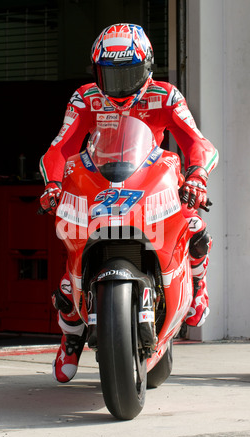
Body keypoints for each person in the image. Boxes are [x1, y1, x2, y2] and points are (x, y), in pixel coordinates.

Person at [39, 24, 218, 383]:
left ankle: (198, 287)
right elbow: (60, 147)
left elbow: (198, 143)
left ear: (147, 67)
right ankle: (71, 335)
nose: (120, 85)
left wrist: (197, 177)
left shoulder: (166, 96)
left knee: (195, 228)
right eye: (110, 74)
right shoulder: (85, 97)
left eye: (129, 73)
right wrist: (54, 185)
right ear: (95, 71)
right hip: (99, 183)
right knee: (70, 259)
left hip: (150, 182)